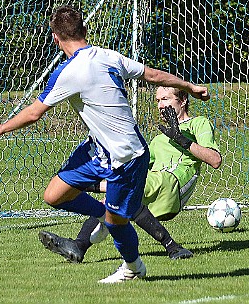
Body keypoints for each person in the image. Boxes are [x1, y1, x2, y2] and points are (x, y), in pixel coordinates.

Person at [0, 5, 210, 284]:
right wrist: (190, 87)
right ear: (84, 31)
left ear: (55, 39)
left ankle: (133, 267)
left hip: (125, 155)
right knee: (54, 196)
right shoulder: (109, 56)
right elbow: (153, 75)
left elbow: (35, 113)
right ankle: (108, 216)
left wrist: (2, 127)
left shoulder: (69, 71)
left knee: (117, 222)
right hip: (97, 150)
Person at [39, 86, 222, 263]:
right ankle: (79, 246)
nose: (159, 105)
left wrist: (181, 140)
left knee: (128, 187)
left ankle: (87, 185)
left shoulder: (199, 123)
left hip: (173, 185)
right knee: (115, 200)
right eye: (157, 101)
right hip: (153, 187)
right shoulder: (159, 139)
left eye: (165, 99)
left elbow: (215, 160)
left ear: (182, 101)